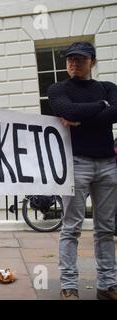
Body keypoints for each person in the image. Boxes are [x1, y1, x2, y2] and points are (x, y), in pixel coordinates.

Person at [48, 41, 117, 300]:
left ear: (93, 62)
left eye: (80, 59)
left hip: (108, 164)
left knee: (106, 229)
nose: (74, 63)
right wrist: (103, 107)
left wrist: (83, 118)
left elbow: (116, 112)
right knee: (71, 227)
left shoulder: (108, 88)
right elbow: (67, 110)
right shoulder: (58, 89)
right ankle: (69, 286)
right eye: (70, 59)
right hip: (75, 163)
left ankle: (108, 285)